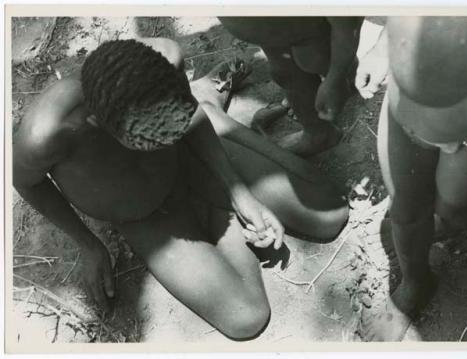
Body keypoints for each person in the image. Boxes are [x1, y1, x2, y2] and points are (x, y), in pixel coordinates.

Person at [13, 38, 349, 341]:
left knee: (329, 215)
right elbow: (25, 181)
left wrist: (240, 194)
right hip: (147, 217)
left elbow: (190, 119)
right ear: (98, 123)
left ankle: (212, 110)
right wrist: (88, 245)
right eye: (143, 142)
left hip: (190, 162)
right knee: (247, 318)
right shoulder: (45, 134)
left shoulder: (162, 60)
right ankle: (216, 190)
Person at [362, 16, 467, 341]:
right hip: (405, 113)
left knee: (455, 208)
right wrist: (380, 48)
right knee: (405, 209)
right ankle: (415, 282)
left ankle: (443, 223)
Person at [218, 17, 364, 156]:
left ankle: (351, 79)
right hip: (274, 30)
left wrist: (335, 79)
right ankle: (318, 133)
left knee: (318, 59)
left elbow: (347, 27)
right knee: (284, 72)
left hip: (308, 28)